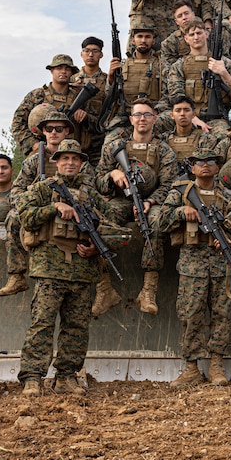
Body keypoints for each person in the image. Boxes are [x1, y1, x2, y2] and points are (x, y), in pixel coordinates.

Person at [17, 140, 128, 397]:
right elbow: (25, 216)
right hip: (49, 269)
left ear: (81, 164)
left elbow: (116, 230)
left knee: (76, 328)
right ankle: (33, 377)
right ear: (56, 162)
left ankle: (66, 376)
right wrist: (53, 207)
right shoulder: (43, 189)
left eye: (75, 159)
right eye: (64, 158)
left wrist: (95, 246)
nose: (69, 163)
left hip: (82, 271)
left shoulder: (91, 196)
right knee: (42, 324)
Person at [155, 146, 231, 387]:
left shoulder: (228, 197)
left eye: (210, 161)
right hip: (192, 264)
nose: (205, 165)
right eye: (199, 162)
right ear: (193, 167)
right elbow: (160, 222)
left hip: (222, 264)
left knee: (223, 314)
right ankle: (191, 367)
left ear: (218, 167)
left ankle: (216, 364)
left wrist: (230, 239)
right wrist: (181, 211)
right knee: (190, 314)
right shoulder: (180, 193)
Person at [0, 107, 93, 297]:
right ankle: (17, 275)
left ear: (67, 131)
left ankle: (104, 287)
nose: (54, 133)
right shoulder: (34, 162)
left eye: (59, 128)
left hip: (72, 212)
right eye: (49, 129)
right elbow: (17, 190)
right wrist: (31, 205)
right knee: (13, 216)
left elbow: (92, 192)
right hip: (42, 210)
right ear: (43, 132)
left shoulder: (80, 162)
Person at [97, 98, 178, 315]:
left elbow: (170, 185)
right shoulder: (115, 147)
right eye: (138, 115)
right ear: (131, 119)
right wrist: (112, 175)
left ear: (154, 119)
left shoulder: (164, 150)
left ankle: (148, 290)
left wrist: (150, 202)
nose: (143, 119)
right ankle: (104, 287)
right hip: (121, 200)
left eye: (147, 115)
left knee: (156, 222)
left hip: (151, 202)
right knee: (101, 221)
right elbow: (97, 180)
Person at [164, 20, 231, 138]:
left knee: (223, 136)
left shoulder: (224, 63)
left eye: (199, 33)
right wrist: (194, 119)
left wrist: (223, 72)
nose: (196, 37)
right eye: (192, 34)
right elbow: (176, 97)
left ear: (206, 34)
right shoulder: (179, 65)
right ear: (186, 39)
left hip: (217, 119)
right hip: (187, 117)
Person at [11, 54, 91, 158]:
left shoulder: (79, 98)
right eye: (59, 68)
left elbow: (96, 125)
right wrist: (33, 144)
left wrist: (85, 117)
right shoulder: (37, 96)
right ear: (51, 70)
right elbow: (17, 123)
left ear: (72, 73)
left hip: (72, 157)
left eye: (67, 69)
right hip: (42, 156)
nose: (63, 71)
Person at [71, 36, 111, 165]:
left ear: (101, 54)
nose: (90, 54)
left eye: (95, 51)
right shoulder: (71, 80)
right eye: (86, 50)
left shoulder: (108, 81)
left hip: (97, 141)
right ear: (81, 54)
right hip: (74, 140)